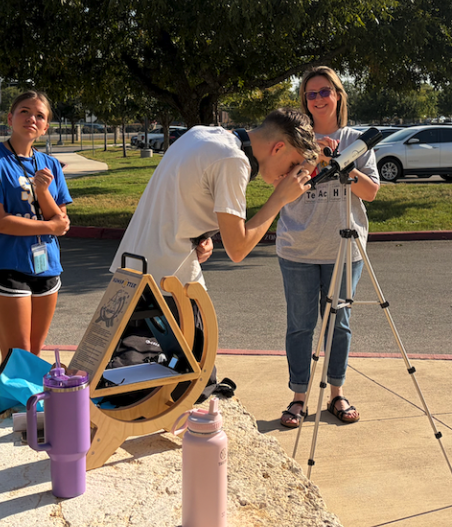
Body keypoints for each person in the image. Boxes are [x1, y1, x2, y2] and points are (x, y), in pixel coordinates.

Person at [108, 108, 319, 387]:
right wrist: (279, 199)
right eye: (292, 166)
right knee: (192, 383)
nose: (289, 176)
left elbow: (179, 196)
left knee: (132, 378)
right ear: (278, 147)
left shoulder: (201, 133)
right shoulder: (233, 161)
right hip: (168, 287)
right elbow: (238, 249)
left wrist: (200, 235)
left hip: (131, 271)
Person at [277, 67, 381, 428]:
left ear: (338, 95)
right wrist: (312, 156)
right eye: (311, 94)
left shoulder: (357, 139)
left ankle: (336, 393)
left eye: (325, 91)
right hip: (297, 246)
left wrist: (342, 164)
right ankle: (298, 398)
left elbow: (370, 192)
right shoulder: (291, 138)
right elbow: (279, 182)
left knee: (340, 325)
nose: (318, 99)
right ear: (304, 101)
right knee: (301, 326)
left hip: (344, 248)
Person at [0, 90, 72, 362]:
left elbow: (62, 221)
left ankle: (32, 407)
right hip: (5, 265)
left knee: (35, 356)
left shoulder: (50, 165)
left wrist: (43, 191)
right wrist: (47, 228)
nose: (32, 119)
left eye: (40, 115)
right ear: (10, 118)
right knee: (17, 357)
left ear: (46, 126)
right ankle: (12, 407)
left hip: (46, 265)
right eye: (25, 111)